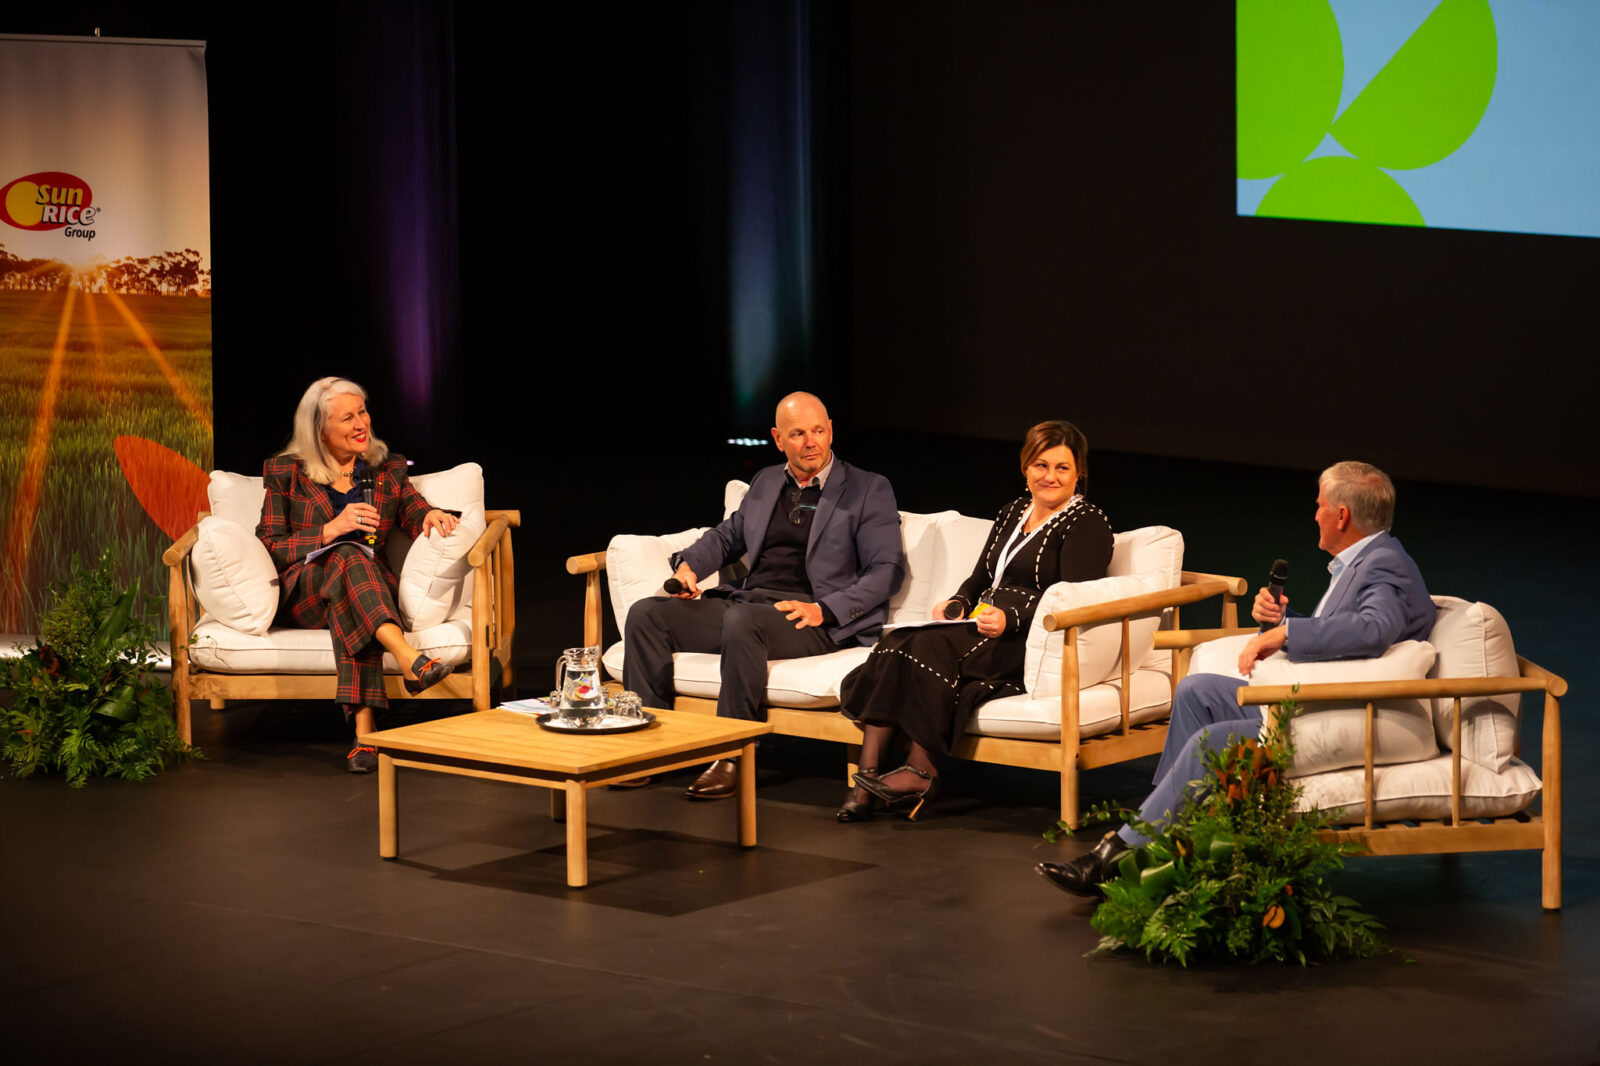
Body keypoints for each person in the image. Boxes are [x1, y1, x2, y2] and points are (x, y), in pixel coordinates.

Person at [1037, 460, 1436, 895]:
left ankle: (1118, 855)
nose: (1314, 514)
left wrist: (1289, 631)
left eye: (1320, 506)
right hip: (1313, 701)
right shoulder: (1365, 562)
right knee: (1195, 690)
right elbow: (1354, 634)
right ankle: (1169, 833)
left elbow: (1375, 629)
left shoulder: (1383, 564)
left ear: (1342, 515)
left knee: (1213, 742)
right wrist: (1285, 620)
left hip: (1337, 716)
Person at [623, 391, 905, 799]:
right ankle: (651, 747)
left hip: (811, 617)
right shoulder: (767, 480)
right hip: (749, 605)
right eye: (798, 434)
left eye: (819, 431)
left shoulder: (867, 489)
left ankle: (731, 753)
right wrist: (688, 568)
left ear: (831, 431)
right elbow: (727, 535)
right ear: (778, 439)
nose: (811, 442)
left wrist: (824, 609)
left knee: (743, 621)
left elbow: (886, 571)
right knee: (647, 614)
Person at [837, 420, 1113, 821]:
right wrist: (958, 601)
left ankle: (922, 770)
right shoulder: (1012, 512)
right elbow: (981, 576)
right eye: (1040, 465)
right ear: (1025, 468)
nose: (1049, 476)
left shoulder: (1086, 522)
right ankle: (866, 776)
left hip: (1030, 637)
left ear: (1079, 473)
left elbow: (1070, 598)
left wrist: (1012, 618)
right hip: (982, 624)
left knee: (925, 646)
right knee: (897, 641)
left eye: (1062, 468)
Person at [257, 377, 461, 773]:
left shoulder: (386, 468)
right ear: (319, 431)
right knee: (347, 554)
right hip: (305, 592)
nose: (360, 424)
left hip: (364, 592)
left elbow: (413, 510)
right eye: (347, 418)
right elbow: (271, 544)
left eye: (362, 412)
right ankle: (408, 658)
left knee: (351, 588)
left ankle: (364, 734)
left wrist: (431, 515)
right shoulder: (286, 472)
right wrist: (330, 530)